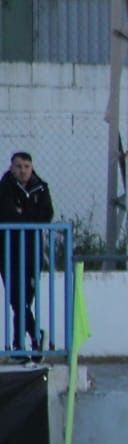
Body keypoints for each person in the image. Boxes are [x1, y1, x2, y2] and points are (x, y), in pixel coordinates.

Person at [0, 152, 55, 359]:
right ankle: (34, 337)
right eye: (18, 166)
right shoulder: (4, 188)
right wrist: (27, 216)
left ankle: (20, 346)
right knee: (16, 300)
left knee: (25, 300)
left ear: (31, 168)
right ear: (11, 168)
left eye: (26, 166)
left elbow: (46, 214)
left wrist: (23, 214)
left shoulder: (41, 187)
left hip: (31, 252)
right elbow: (6, 214)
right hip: (8, 252)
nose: (22, 170)